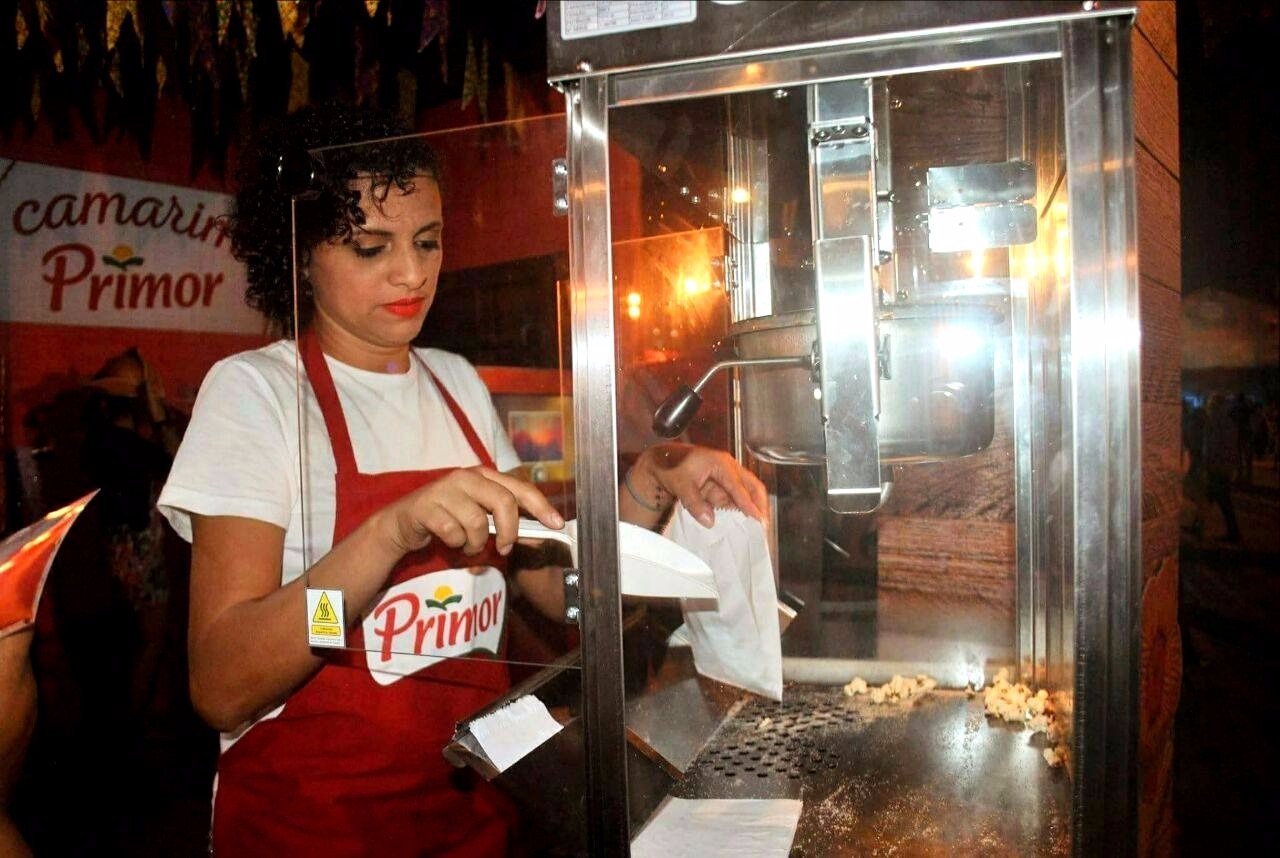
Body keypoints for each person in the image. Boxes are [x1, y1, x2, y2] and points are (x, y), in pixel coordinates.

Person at [157, 103, 768, 856]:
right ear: (301, 251)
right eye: (370, 247)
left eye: (427, 241)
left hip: (468, 823)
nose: (411, 273)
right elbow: (223, 684)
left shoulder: (458, 384)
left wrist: (654, 479)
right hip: (313, 829)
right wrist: (387, 534)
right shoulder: (255, 394)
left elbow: (552, 590)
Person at [1202, 393, 1242, 543]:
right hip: (1222, 467)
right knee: (1213, 498)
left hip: (1217, 468)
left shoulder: (1215, 422)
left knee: (1221, 501)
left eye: (1211, 405)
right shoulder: (1228, 423)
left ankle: (1233, 533)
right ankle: (1197, 525)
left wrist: (1208, 463)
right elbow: (1231, 448)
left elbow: (1213, 446)